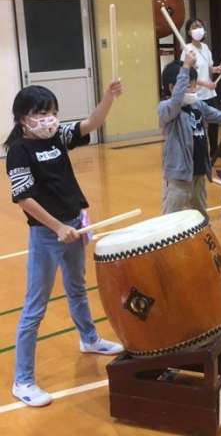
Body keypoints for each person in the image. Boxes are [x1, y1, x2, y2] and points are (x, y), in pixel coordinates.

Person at [4, 80, 124, 407]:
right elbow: (23, 197)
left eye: (52, 112)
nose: (48, 119)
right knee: (34, 308)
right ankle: (23, 380)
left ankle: (89, 339)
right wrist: (56, 227)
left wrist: (107, 98)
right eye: (41, 113)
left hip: (74, 226)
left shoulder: (57, 136)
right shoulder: (18, 151)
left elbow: (92, 123)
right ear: (23, 118)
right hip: (47, 235)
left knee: (77, 288)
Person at [159, 51, 221, 218]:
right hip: (178, 178)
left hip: (198, 173)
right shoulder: (166, 109)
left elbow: (219, 116)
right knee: (171, 219)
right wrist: (186, 66)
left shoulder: (197, 105)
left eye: (194, 85)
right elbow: (176, 101)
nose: (194, 89)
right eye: (188, 86)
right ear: (171, 88)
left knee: (200, 217)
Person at [180, 18, 221, 159]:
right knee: (198, 123)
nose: (198, 29)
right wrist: (206, 84)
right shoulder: (187, 49)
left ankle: (214, 149)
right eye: (194, 27)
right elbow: (187, 75)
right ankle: (199, 151)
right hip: (196, 94)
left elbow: (208, 67)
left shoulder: (205, 47)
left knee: (214, 122)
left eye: (200, 26)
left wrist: (216, 69)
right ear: (189, 32)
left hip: (209, 92)